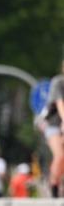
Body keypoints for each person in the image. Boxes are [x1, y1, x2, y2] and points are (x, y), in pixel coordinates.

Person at [42, 62, 64, 198]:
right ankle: (53, 185)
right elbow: (60, 104)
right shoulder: (58, 82)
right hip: (53, 124)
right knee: (60, 155)